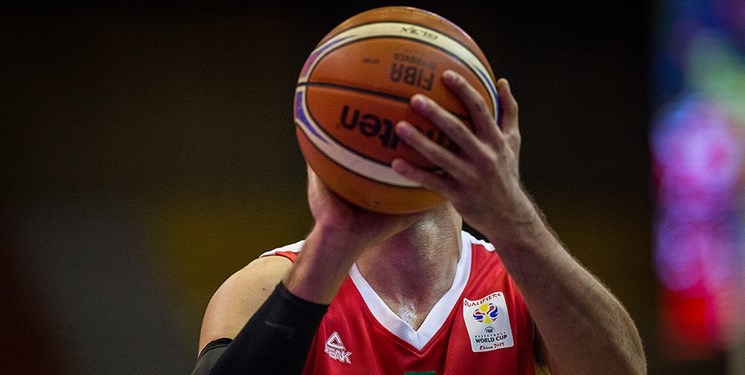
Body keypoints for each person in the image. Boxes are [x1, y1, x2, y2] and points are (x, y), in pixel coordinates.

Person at [191, 70, 647, 374]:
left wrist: (515, 220)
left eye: (418, 119)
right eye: (380, 120)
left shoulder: (519, 285)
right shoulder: (268, 286)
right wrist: (331, 244)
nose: (397, 138)